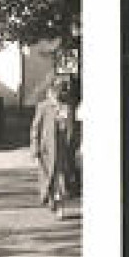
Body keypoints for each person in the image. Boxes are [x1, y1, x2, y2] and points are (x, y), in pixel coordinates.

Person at [30, 78, 77, 212]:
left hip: (64, 147)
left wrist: (75, 145)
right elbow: (35, 128)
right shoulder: (43, 106)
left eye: (61, 90)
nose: (59, 93)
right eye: (56, 89)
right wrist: (35, 147)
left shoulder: (67, 106)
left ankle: (60, 202)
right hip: (47, 149)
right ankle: (50, 197)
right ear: (51, 91)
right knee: (48, 176)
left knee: (61, 175)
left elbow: (72, 127)